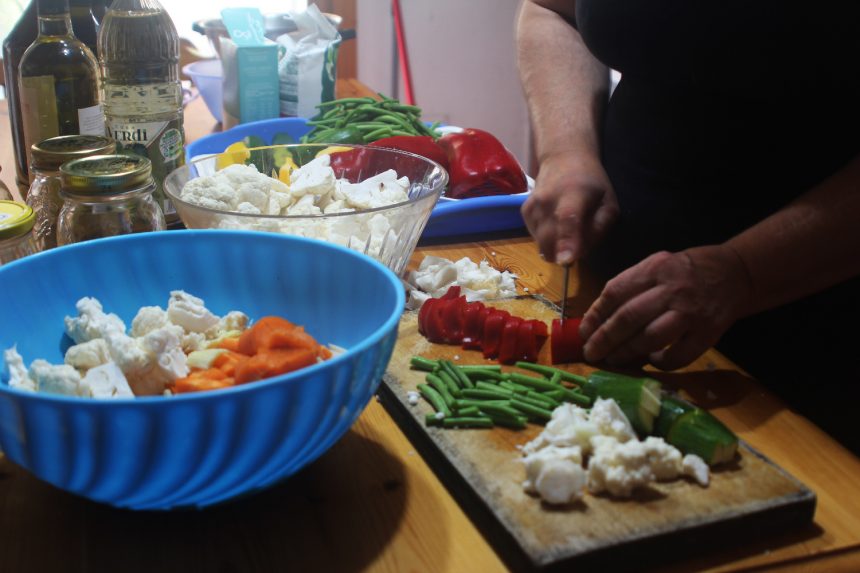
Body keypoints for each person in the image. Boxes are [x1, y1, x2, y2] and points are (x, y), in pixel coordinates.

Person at [516, 0, 860, 452]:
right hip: (608, 303)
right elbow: (550, 10)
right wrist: (566, 149)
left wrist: (743, 271)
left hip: (816, 354)